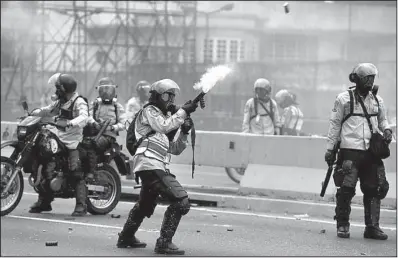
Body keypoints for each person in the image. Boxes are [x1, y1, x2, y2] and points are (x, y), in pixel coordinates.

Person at [116, 79, 199, 255]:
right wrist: (183, 112)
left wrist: (183, 131)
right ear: (159, 95)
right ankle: (164, 242)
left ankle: (126, 236)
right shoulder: (149, 112)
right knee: (180, 201)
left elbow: (175, 149)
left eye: (173, 96)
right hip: (149, 163)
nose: (171, 100)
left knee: (145, 205)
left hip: (153, 165)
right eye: (169, 95)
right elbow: (164, 125)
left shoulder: (162, 126)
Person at [325, 63, 393, 240]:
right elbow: (334, 125)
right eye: (367, 78)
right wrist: (330, 149)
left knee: (375, 189)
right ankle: (343, 224)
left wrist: (387, 130)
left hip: (371, 153)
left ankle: (372, 227)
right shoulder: (343, 99)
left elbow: (383, 121)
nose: (371, 82)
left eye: (373, 78)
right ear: (358, 79)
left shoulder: (378, 100)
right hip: (349, 152)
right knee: (346, 189)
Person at [28, 73, 89, 217]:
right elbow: (48, 109)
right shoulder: (61, 101)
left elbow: (84, 117)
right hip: (58, 136)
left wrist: (71, 122)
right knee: (46, 163)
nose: (56, 91)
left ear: (64, 88)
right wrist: (34, 113)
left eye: (58, 88)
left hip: (73, 141)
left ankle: (81, 205)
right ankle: (44, 202)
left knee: (75, 171)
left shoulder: (79, 101)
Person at [81, 77, 126, 180]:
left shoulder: (117, 106)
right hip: (94, 133)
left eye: (108, 89)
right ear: (99, 91)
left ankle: (91, 172)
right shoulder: (95, 104)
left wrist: (111, 127)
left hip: (108, 137)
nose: (106, 92)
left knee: (90, 144)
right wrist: (94, 123)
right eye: (103, 90)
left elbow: (124, 124)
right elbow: (88, 116)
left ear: (113, 90)